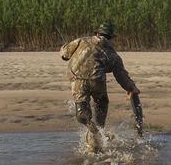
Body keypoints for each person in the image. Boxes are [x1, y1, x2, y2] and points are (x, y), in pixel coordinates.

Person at [60, 22, 140, 152]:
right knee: (101, 102)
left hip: (77, 80)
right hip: (97, 81)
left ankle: (91, 128)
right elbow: (121, 75)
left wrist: (64, 48)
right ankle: (100, 131)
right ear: (111, 37)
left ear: (97, 33)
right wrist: (131, 88)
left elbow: (64, 54)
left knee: (82, 111)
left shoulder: (81, 41)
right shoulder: (112, 54)